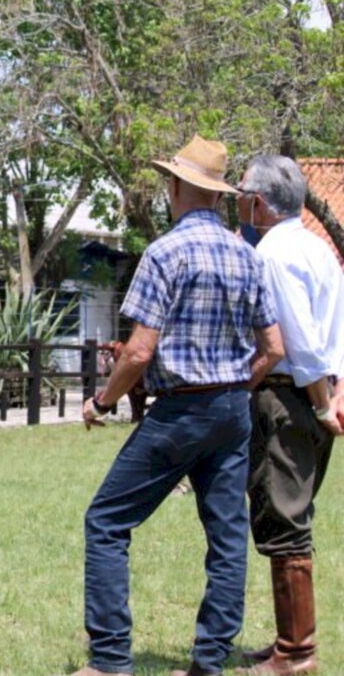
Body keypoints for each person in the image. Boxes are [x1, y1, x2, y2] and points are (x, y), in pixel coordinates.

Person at [68, 135, 284, 676]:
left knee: (107, 522)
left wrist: (102, 400)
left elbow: (140, 349)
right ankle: (210, 661)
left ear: (179, 187)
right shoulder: (246, 254)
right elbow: (274, 348)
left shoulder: (165, 253)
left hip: (180, 411)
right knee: (228, 537)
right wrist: (235, 387)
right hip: (233, 409)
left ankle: (111, 659)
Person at [234, 155, 344, 675]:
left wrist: (321, 400)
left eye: (240, 193)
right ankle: (287, 641)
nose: (237, 202)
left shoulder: (273, 255)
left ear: (258, 201)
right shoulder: (318, 249)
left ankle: (297, 652)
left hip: (289, 397)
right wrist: (335, 392)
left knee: (284, 518)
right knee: (289, 513)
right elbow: (335, 330)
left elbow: (296, 342)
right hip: (317, 395)